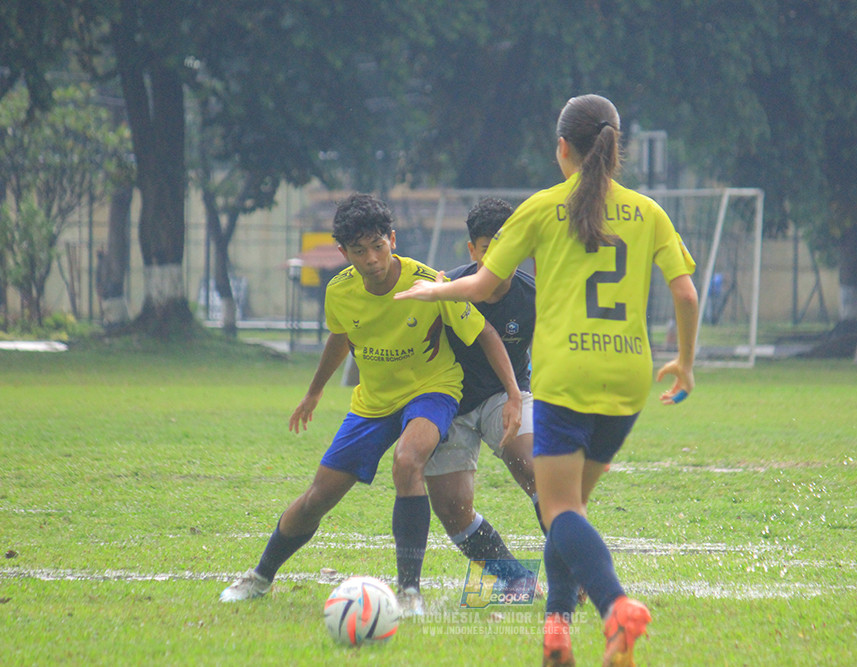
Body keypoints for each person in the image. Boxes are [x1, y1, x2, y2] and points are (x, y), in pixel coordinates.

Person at [395, 94, 699, 667]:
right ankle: (557, 631)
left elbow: (484, 286)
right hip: (629, 378)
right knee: (570, 506)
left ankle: (615, 610)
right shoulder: (648, 210)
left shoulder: (540, 208)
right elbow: (685, 292)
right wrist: (684, 362)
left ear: (562, 147)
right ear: (615, 146)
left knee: (560, 510)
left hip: (566, 377)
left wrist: (433, 288)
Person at [220, 193, 523, 618]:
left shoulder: (427, 283)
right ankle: (260, 576)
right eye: (359, 251)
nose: (372, 260)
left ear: (392, 240)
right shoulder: (340, 292)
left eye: (378, 246)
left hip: (432, 389)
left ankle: (409, 593)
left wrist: (513, 393)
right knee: (318, 498)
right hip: (373, 402)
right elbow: (341, 337)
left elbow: (486, 332)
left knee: (408, 460)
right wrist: (314, 392)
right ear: (344, 253)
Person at [423, 197, 542, 590]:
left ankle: (572, 571)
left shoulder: (533, 297)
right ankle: (516, 578)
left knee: (539, 471)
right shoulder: (448, 288)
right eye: (488, 248)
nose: (500, 258)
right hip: (450, 403)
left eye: (508, 246)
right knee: (452, 509)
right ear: (472, 250)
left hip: (505, 397)